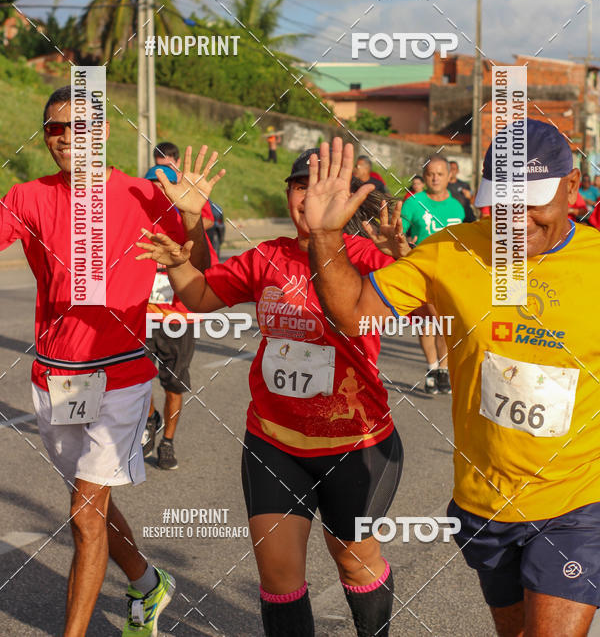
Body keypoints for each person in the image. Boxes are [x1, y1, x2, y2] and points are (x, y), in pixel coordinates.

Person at [306, 122, 600, 637]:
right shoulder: (450, 252)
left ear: (571, 187)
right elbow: (353, 315)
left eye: (532, 201)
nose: (516, 219)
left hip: (578, 503)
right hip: (484, 504)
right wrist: (326, 235)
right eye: (502, 203)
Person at [136, 148, 407, 637]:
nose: (308, 197)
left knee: (354, 563)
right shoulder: (267, 256)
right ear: (288, 194)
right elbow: (197, 295)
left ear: (344, 199)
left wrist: (402, 258)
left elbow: (426, 309)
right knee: (279, 579)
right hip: (274, 441)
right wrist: (185, 243)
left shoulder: (368, 256)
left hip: (356, 443)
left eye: (322, 187)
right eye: (299, 186)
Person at [0, 87, 214, 636]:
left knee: (84, 514)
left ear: (104, 132)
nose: (66, 138)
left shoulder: (147, 195)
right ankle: (147, 583)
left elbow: (200, 277)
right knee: (86, 503)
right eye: (54, 128)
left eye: (79, 127)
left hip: (119, 377)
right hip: (54, 378)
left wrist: (191, 223)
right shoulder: (26, 198)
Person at [143, 164, 218, 470]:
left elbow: (203, 268)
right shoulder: (139, 226)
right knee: (136, 380)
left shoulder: (188, 228)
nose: (158, 191)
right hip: (142, 317)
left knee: (173, 385)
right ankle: (150, 418)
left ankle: (168, 442)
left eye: (164, 186)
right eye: (152, 186)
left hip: (178, 320)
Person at [400, 156, 465, 394]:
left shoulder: (458, 207)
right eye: (430, 174)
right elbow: (400, 232)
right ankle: (431, 367)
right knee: (429, 322)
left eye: (440, 173)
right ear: (424, 177)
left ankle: (443, 370)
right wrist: (405, 241)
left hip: (451, 275)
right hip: (422, 273)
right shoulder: (413, 203)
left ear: (449, 176)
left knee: (445, 323)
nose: (435, 178)